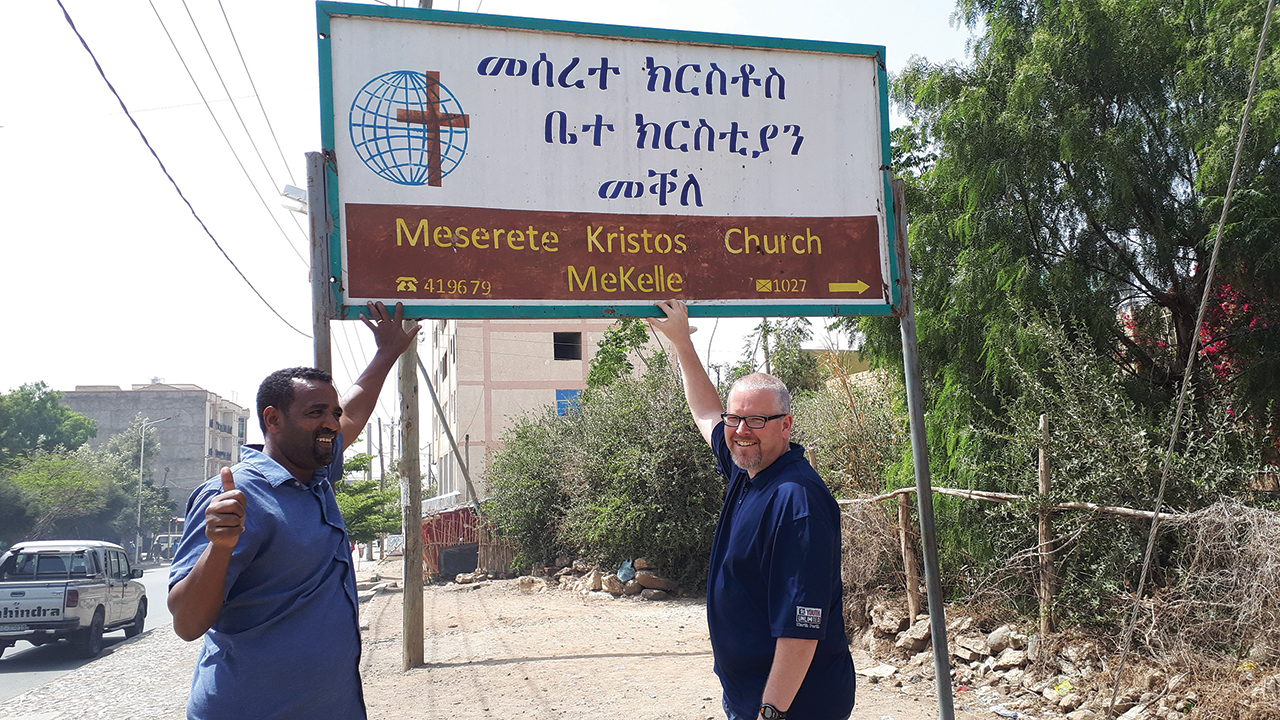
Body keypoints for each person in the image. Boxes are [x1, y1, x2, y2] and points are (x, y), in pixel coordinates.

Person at [167, 301, 420, 720]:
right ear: (273, 419)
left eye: (332, 414)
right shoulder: (235, 497)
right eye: (315, 413)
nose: (333, 424)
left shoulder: (315, 474)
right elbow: (188, 623)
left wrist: (386, 353)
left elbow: (354, 409)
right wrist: (220, 546)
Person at [648, 299, 856, 720]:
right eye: (735, 418)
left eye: (756, 420)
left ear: (786, 425)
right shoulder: (749, 469)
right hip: (751, 696)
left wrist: (771, 711)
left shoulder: (797, 501)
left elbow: (801, 626)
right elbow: (705, 412)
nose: (741, 431)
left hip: (796, 707)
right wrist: (682, 344)